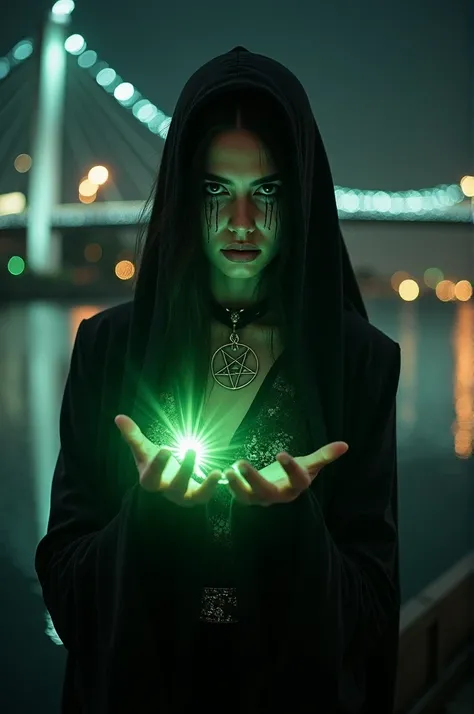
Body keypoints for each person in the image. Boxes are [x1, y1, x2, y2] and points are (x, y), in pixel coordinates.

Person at [35, 46, 402, 713]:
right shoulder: (108, 349)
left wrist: (295, 527)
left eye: (267, 191)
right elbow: (65, 588)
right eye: (216, 190)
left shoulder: (360, 364)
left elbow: (373, 612)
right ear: (181, 193)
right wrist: (147, 516)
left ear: (302, 196)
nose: (242, 222)